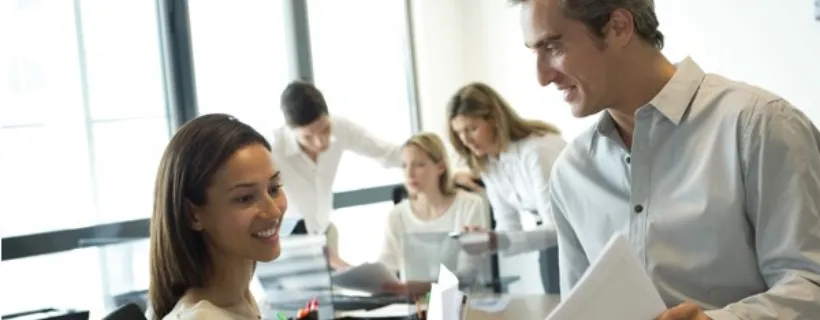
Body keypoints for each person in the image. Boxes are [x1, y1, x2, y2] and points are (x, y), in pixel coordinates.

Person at [510, 0, 820, 318]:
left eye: (553, 46)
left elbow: (810, 284)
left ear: (619, 26)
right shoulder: (571, 171)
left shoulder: (759, 125)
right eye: (535, 52)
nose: (542, 77)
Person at [148, 114, 288, 320]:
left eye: (274, 188)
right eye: (245, 198)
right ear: (193, 215)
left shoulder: (241, 300)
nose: (274, 211)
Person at [448, 82, 567, 294]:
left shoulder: (537, 151)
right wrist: (487, 239)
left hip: (580, 238)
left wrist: (496, 240)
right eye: (459, 133)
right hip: (551, 242)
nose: (465, 140)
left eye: (472, 129)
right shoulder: (490, 164)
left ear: (494, 119)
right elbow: (509, 227)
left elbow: (559, 228)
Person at [272, 80, 403, 270]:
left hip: (325, 234)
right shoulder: (272, 148)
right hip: (289, 244)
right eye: (308, 137)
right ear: (290, 131)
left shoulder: (341, 127)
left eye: (325, 130)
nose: (319, 142)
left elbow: (387, 153)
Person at [378, 132, 492, 292]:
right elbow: (387, 265)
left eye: (419, 165)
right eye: (404, 165)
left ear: (440, 167)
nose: (409, 173)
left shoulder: (469, 205)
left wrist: (422, 287)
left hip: (462, 302)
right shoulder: (397, 215)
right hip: (414, 306)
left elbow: (468, 274)